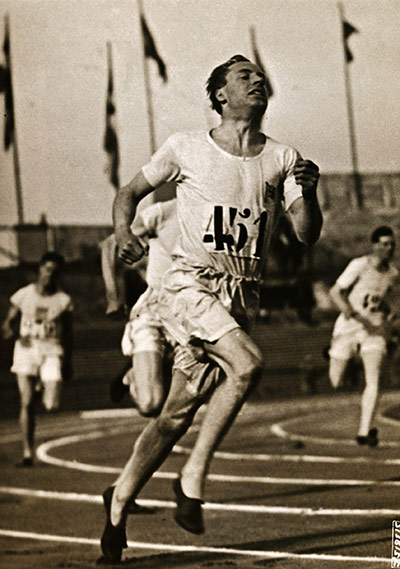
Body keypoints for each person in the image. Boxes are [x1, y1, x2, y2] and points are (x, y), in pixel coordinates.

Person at [100, 54, 322, 563]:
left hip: (242, 295)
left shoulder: (283, 158)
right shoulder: (186, 146)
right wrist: (121, 235)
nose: (259, 80)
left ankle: (118, 501)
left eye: (261, 75)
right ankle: (193, 477)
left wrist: (308, 194)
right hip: (188, 284)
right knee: (248, 365)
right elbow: (128, 193)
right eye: (245, 76)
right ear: (221, 95)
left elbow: (307, 234)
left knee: (174, 414)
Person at [2, 251, 73, 467]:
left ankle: (42, 384)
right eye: (46, 269)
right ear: (40, 269)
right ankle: (27, 452)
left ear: (58, 275)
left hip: (51, 350)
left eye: (54, 272)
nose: (49, 275)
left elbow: (69, 333)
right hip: (26, 350)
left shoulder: (63, 301)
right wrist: (12, 332)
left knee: (51, 404)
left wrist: (68, 361)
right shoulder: (23, 295)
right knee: (26, 402)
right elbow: (7, 323)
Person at [329, 226, 398, 446]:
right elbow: (335, 292)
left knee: (374, 380)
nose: (389, 248)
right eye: (385, 244)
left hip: (375, 330)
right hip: (349, 327)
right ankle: (347, 361)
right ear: (375, 245)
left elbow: (386, 300)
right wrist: (348, 310)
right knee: (336, 381)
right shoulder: (358, 265)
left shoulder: (393, 274)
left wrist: (390, 312)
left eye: (392, 244)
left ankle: (364, 431)